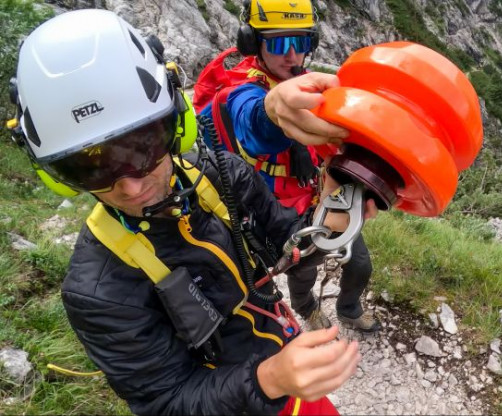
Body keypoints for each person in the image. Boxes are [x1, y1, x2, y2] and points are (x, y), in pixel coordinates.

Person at [8, 9, 377, 415]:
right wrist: (269, 380)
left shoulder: (222, 176)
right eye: (89, 168)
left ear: (177, 124)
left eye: (143, 147)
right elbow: (165, 402)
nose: (131, 187)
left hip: (284, 358)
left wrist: (332, 217)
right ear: (60, 178)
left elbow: (285, 245)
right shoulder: (98, 292)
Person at [196, 0, 380, 332]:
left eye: (301, 42)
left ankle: (349, 309)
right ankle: (306, 306)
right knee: (303, 268)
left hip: (324, 196)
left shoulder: (311, 84)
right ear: (254, 43)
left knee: (361, 263)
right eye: (279, 44)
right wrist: (273, 112)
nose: (292, 55)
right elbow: (252, 122)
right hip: (283, 212)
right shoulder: (240, 91)